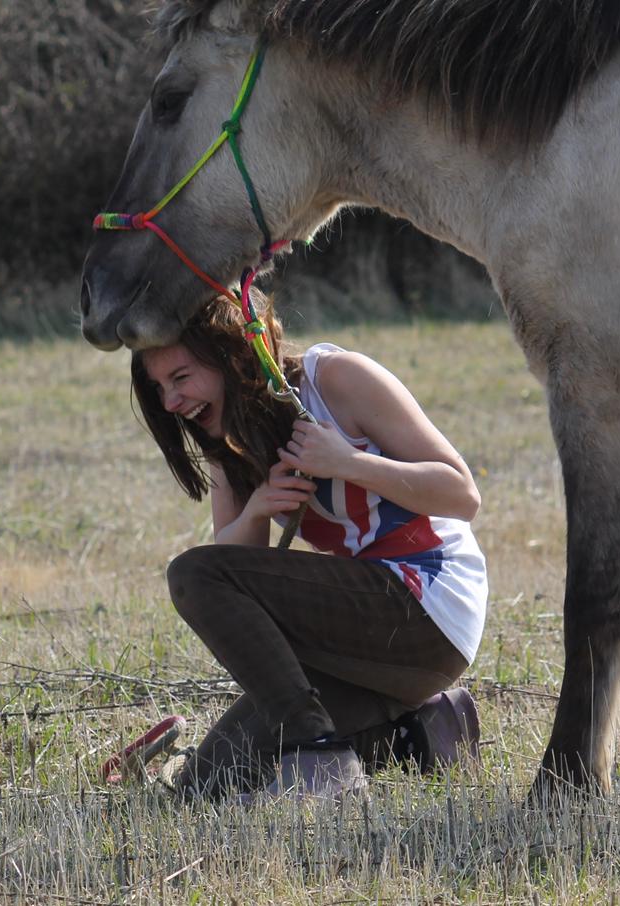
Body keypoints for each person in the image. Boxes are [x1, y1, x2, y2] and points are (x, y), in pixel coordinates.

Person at [130, 294, 487, 800]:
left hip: (428, 604)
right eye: (160, 387)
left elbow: (462, 494)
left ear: (232, 353)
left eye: (181, 378)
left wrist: (347, 462)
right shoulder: (227, 443)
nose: (170, 402)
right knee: (207, 783)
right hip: (369, 641)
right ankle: (426, 733)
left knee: (193, 572)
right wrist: (256, 508)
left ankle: (320, 757)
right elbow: (234, 570)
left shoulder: (336, 380)